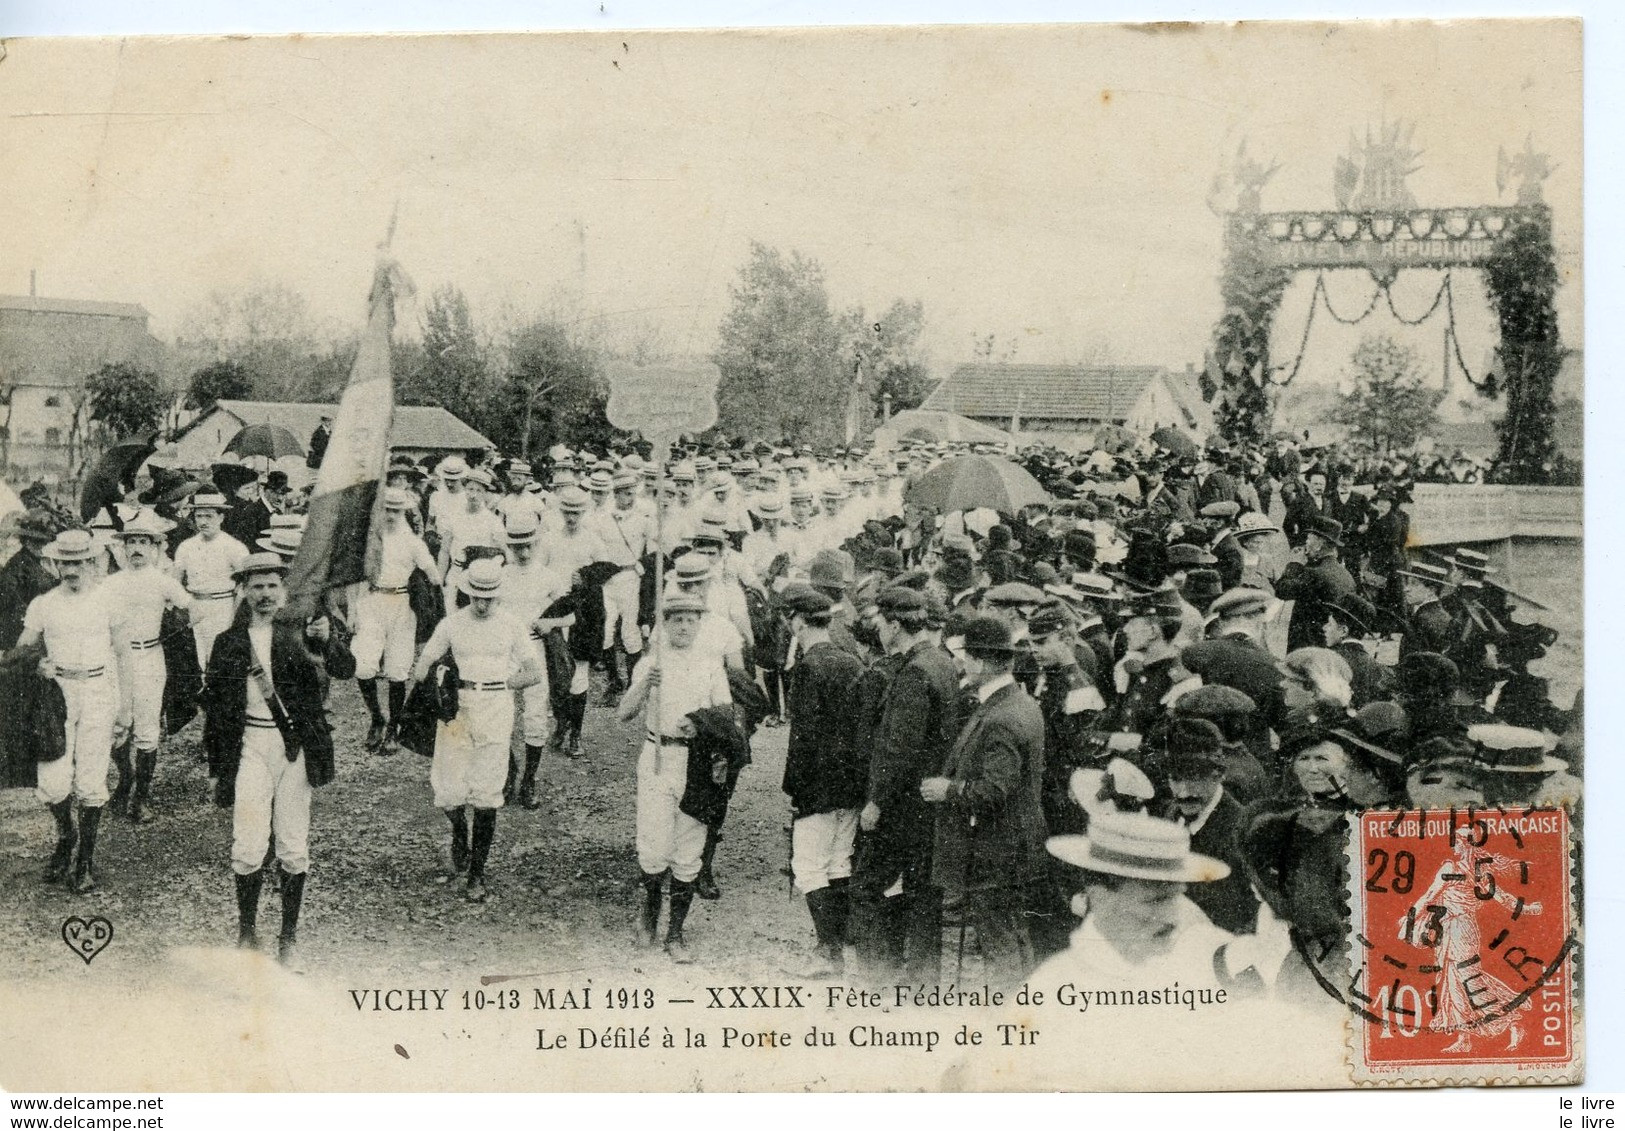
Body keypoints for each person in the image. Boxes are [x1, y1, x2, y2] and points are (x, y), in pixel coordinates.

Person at [203, 551, 335, 964]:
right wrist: (216, 767)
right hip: (249, 748)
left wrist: (325, 640)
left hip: (295, 746)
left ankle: (288, 938)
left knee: (293, 843)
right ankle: (246, 933)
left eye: (272, 586)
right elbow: (216, 709)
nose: (264, 594)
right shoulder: (228, 642)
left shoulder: (304, 630)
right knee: (248, 843)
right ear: (243, 590)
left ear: (284, 589)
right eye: (256, 586)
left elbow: (347, 668)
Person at [1034, 761, 1243, 988]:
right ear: (1100, 895)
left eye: (1173, 897)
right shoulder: (1057, 981)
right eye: (1155, 900)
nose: (1172, 916)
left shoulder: (1205, 945)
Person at [921, 614, 1047, 988]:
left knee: (1000, 939)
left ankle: (1010, 1016)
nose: (959, 663)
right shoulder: (1017, 703)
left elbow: (995, 790)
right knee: (1012, 934)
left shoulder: (1002, 716)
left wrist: (948, 790)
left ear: (979, 661)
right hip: (1011, 845)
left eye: (964, 657)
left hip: (997, 849)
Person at [409, 557, 545, 902]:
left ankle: (477, 873)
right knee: (450, 787)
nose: (482, 604)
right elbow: (423, 664)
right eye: (476, 597)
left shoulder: (512, 625)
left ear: (498, 595)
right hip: (457, 709)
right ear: (466, 593)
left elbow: (533, 672)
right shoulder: (452, 624)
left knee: (487, 791)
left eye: (489, 597)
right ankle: (458, 831)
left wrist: (505, 683)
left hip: (496, 708)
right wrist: (433, 677)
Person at [851, 584, 959, 982]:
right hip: (929, 800)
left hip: (902, 803)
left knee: (867, 886)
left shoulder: (913, 672)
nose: (878, 630)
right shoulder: (942, 661)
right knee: (923, 891)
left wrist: (876, 802)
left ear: (895, 625)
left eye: (881, 622)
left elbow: (899, 746)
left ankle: (877, 978)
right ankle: (923, 979)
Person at [617, 592, 733, 962]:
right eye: (677, 619)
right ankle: (649, 916)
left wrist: (700, 724)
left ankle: (676, 933)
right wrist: (644, 684)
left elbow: (727, 716)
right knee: (653, 845)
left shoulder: (711, 665)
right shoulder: (651, 664)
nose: (683, 626)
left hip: (696, 762)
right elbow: (623, 714)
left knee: (688, 846)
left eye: (690, 619)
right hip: (657, 756)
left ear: (700, 624)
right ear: (665, 624)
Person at [16, 529, 128, 894]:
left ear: (92, 562)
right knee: (52, 782)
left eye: (79, 562)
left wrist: (125, 708)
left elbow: (125, 655)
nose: (72, 570)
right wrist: (36, 664)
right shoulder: (44, 603)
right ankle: (67, 836)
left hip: (98, 690)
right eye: (65, 563)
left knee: (91, 780)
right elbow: (23, 650)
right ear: (55, 564)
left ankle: (85, 862)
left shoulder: (109, 599)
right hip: (55, 695)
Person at [780, 584, 866, 976]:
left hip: (818, 784)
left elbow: (804, 737)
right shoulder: (852, 661)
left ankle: (827, 951)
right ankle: (839, 948)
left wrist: (796, 790)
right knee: (839, 861)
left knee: (809, 866)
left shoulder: (809, 667)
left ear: (798, 622)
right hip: (851, 782)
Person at [101, 510, 192, 823]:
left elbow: (192, 610)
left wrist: (175, 623)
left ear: (154, 547)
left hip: (150, 656)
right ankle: (124, 780)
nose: (137, 548)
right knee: (116, 723)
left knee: (147, 727)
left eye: (143, 542)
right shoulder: (110, 584)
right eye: (131, 542)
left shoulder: (162, 582)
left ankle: (141, 797)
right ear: (123, 547)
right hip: (116, 661)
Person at [352, 486, 438, 753]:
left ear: (405, 511)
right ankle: (377, 718)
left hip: (402, 604)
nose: (390, 514)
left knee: (397, 670)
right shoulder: (371, 539)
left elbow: (434, 576)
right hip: (372, 601)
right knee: (363, 665)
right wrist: (353, 612)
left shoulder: (413, 543)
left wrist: (426, 600)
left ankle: (394, 728)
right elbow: (355, 575)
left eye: (396, 510)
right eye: (386, 509)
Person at [173, 491, 250, 667]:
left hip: (223, 607)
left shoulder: (234, 547)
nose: (203, 521)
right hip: (194, 607)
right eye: (199, 516)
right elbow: (175, 581)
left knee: (220, 658)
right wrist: (184, 608)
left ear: (221, 517)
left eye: (209, 516)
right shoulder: (186, 547)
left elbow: (245, 585)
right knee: (197, 659)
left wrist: (233, 613)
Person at [1275, 515, 1356, 652]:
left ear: (1318, 545)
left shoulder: (1314, 573)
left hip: (1309, 647)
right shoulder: (1346, 574)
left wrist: (1294, 563)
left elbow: (1282, 590)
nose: (1305, 543)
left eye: (1308, 539)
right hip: (1332, 647)